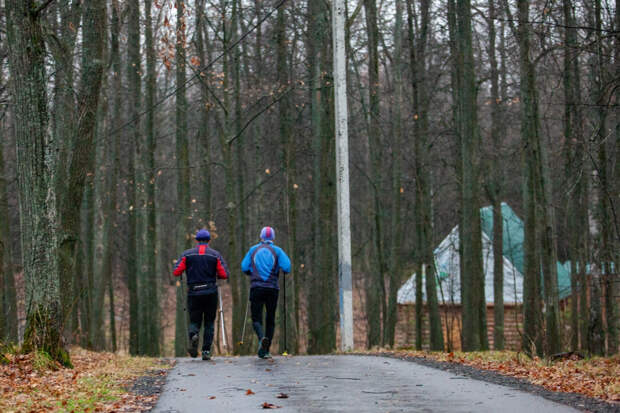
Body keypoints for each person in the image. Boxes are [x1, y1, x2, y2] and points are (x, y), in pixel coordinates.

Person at [173, 229, 229, 360]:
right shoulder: (215, 255)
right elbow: (224, 274)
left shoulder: (187, 254)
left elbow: (176, 271)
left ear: (196, 240)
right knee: (209, 322)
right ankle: (206, 351)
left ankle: (194, 335)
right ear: (209, 240)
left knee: (194, 320)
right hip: (210, 292)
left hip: (194, 292)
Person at [241, 226, 291, 359]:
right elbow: (287, 267)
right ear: (273, 238)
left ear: (261, 237)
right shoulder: (278, 251)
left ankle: (261, 338)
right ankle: (266, 350)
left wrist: (250, 272)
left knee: (256, 318)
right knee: (270, 319)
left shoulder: (253, 250)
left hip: (256, 288)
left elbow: (244, 267)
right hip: (272, 289)